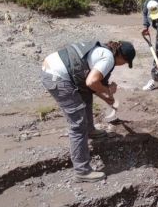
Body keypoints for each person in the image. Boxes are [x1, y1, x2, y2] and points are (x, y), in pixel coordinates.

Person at [41, 40, 136, 182]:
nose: (123, 65)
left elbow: (91, 86)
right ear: (121, 57)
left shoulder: (103, 50)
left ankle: (90, 130)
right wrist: (109, 90)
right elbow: (92, 82)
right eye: (125, 62)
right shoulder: (108, 58)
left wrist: (108, 98)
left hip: (53, 67)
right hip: (57, 77)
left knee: (86, 95)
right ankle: (82, 171)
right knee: (78, 126)